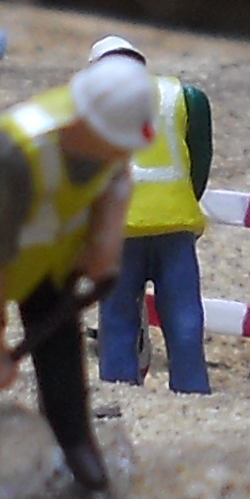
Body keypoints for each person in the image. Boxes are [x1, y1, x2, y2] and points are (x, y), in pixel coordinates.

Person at [0, 55, 157, 495]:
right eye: (116, 142)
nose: (122, 151)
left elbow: (116, 181)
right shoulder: (14, 153)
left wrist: (104, 246)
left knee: (62, 360)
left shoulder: (110, 142)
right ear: (87, 125)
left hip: (54, 265)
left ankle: (75, 445)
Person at [87, 34, 215, 395]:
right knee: (184, 314)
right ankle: (191, 386)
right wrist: (184, 200)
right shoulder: (182, 96)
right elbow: (200, 158)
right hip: (175, 224)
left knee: (117, 315)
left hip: (120, 229)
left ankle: (119, 385)